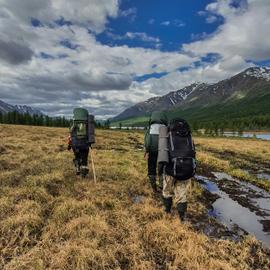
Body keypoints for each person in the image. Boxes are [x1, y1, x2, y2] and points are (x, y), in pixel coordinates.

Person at [158, 118, 196, 221]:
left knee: (167, 192)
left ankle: (167, 211)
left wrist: (160, 172)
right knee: (182, 194)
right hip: (186, 169)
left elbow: (163, 155)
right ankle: (182, 218)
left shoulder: (167, 135)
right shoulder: (189, 136)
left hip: (170, 170)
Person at [144, 111, 168, 194]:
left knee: (151, 169)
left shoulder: (150, 129)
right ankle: (162, 186)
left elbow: (147, 141)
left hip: (152, 151)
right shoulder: (165, 128)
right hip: (163, 151)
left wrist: (147, 151)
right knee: (162, 169)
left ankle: (154, 188)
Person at [67, 108, 95, 177]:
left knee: (77, 156)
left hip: (75, 144)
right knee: (84, 158)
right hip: (84, 144)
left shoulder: (74, 123)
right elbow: (90, 134)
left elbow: (70, 133)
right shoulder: (87, 124)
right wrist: (90, 143)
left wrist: (69, 145)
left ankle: (78, 168)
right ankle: (84, 174)